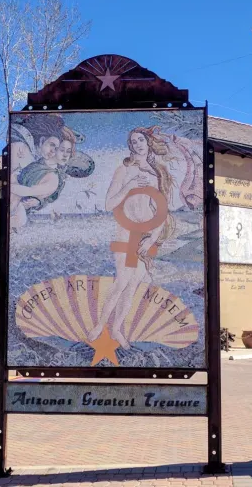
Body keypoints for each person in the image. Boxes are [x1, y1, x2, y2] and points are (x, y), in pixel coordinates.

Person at [88, 126, 179, 349]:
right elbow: (109, 204)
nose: (138, 144)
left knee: (133, 284)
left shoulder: (157, 172)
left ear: (148, 142)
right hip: (127, 232)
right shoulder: (124, 170)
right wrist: (129, 186)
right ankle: (99, 326)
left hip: (148, 235)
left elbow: (160, 209)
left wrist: (152, 238)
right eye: (134, 141)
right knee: (122, 281)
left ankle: (116, 329)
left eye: (141, 140)